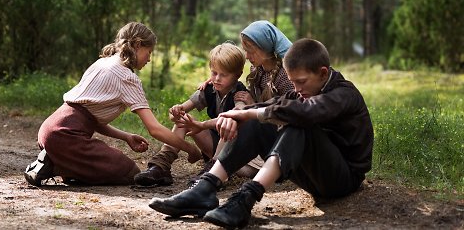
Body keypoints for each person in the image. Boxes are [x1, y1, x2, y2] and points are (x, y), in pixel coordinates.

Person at [147, 38, 374, 229]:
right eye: (292, 82)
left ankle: (246, 198)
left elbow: (305, 113)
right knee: (259, 118)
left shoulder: (345, 94)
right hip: (312, 177)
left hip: (342, 180)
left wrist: (251, 113)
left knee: (293, 121)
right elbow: (273, 105)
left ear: (323, 73)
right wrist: (236, 115)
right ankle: (205, 188)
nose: (296, 89)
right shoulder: (305, 93)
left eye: (301, 82)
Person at [24, 22, 202, 186]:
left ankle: (58, 158)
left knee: (111, 167)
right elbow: (154, 129)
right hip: (66, 137)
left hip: (50, 129)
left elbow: (89, 118)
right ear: (138, 45)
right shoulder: (126, 77)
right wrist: (190, 149)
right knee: (128, 172)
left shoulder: (103, 62)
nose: (149, 59)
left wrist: (126, 137)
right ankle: (56, 166)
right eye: (149, 52)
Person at [188, 20, 295, 184]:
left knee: (235, 120)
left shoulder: (285, 76)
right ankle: (218, 165)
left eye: (250, 51)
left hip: (275, 137)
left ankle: (215, 170)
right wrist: (213, 80)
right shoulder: (257, 70)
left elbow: (289, 113)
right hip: (257, 126)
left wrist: (252, 105)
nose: (247, 56)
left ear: (265, 49)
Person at [134, 42, 248, 187]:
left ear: (237, 75)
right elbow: (182, 110)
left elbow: (237, 113)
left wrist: (201, 125)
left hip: (233, 148)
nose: (217, 78)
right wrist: (177, 111)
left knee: (229, 122)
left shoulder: (240, 94)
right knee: (184, 119)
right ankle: (161, 165)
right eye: (214, 73)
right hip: (213, 144)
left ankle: (214, 171)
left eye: (223, 75)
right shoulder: (209, 89)